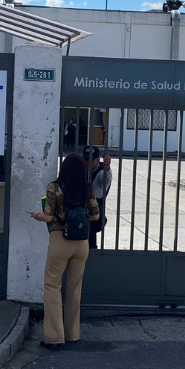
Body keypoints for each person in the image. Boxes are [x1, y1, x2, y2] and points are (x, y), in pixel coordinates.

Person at [29, 153, 100, 348]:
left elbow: (49, 217)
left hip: (60, 240)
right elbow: (95, 216)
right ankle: (72, 334)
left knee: (52, 286)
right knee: (74, 288)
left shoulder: (55, 187)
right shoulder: (86, 188)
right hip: (81, 243)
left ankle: (54, 337)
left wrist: (37, 215)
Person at [82, 145, 113, 249]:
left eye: (90, 159)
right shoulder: (80, 171)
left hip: (93, 214)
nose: (87, 162)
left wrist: (107, 167)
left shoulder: (100, 172)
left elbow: (106, 180)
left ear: (97, 160)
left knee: (90, 244)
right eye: (85, 159)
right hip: (80, 212)